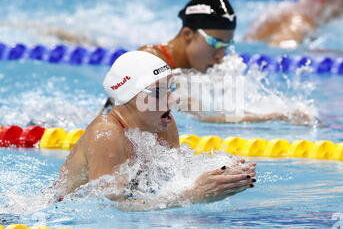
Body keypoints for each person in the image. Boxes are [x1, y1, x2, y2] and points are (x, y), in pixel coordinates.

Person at [54, 51, 256, 209]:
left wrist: (220, 173)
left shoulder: (163, 123)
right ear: (129, 99)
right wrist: (194, 195)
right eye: (158, 92)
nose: (173, 99)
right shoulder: (107, 134)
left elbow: (174, 175)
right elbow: (108, 207)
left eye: (171, 88)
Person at [100, 0, 314, 125]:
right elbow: (204, 116)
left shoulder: (186, 69)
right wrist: (277, 115)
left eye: (227, 46)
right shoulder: (153, 63)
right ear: (187, 35)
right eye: (215, 44)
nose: (221, 56)